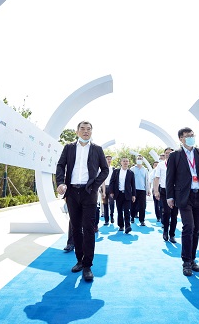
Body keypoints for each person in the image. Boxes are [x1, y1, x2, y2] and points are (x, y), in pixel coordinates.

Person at [56, 121, 109, 282]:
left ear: (92, 132)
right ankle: (79, 260)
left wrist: (94, 185)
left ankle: (87, 266)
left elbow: (105, 170)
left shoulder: (97, 149)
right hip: (72, 192)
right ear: (77, 131)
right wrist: (60, 183)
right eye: (83, 129)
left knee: (88, 229)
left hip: (89, 193)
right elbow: (60, 166)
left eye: (89, 129)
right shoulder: (69, 148)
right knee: (76, 228)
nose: (86, 131)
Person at [166, 127, 199, 277]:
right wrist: (169, 196)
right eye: (187, 136)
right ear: (181, 139)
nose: (191, 138)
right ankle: (186, 261)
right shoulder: (175, 156)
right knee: (188, 227)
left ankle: (193, 259)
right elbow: (170, 177)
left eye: (192, 135)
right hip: (184, 196)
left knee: (196, 229)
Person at [153, 148, 178, 243]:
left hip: (176, 191)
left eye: (170, 153)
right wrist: (156, 191)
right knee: (166, 212)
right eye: (166, 153)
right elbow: (157, 178)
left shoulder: (177, 163)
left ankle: (172, 235)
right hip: (164, 191)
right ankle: (165, 231)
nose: (168, 154)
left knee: (174, 214)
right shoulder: (160, 165)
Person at [108, 157, 136, 234]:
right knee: (119, 210)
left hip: (127, 194)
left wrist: (133, 195)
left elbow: (133, 185)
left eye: (127, 161)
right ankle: (121, 225)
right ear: (121, 162)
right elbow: (112, 182)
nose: (125, 162)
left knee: (127, 210)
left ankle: (127, 226)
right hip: (118, 194)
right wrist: (111, 191)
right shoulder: (116, 172)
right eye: (124, 161)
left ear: (129, 163)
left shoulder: (131, 173)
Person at [130, 155, 149, 226]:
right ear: (136, 160)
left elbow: (146, 180)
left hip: (142, 190)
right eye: (138, 158)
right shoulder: (132, 169)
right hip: (134, 189)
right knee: (133, 204)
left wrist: (148, 190)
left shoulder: (145, 169)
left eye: (141, 158)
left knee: (142, 206)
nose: (139, 160)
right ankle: (132, 217)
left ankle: (142, 220)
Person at [102, 155, 115, 225]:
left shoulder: (113, 169)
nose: (109, 160)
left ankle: (112, 216)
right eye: (108, 159)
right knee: (105, 204)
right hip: (104, 187)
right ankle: (106, 220)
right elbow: (102, 180)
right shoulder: (102, 169)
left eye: (110, 159)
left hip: (111, 188)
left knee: (112, 203)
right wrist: (103, 191)